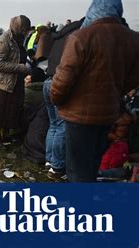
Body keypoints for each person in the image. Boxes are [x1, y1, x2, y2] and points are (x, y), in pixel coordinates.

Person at [50, 0, 139, 182]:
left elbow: (63, 80)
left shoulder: (81, 37)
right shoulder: (133, 39)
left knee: (77, 169)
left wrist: (57, 100)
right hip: (108, 114)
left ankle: (81, 207)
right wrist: (113, 92)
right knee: (92, 164)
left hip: (79, 116)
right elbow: (133, 77)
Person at [43, 18, 83, 179]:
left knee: (53, 124)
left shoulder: (60, 36)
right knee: (61, 125)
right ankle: (57, 166)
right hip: (59, 82)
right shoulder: (78, 37)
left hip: (48, 81)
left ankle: (50, 159)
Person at [0, 15, 31, 148]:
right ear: (18, 27)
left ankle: (4, 135)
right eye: (24, 29)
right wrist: (21, 67)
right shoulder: (3, 41)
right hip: (1, 82)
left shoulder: (18, 38)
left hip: (14, 80)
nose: (26, 32)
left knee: (11, 110)